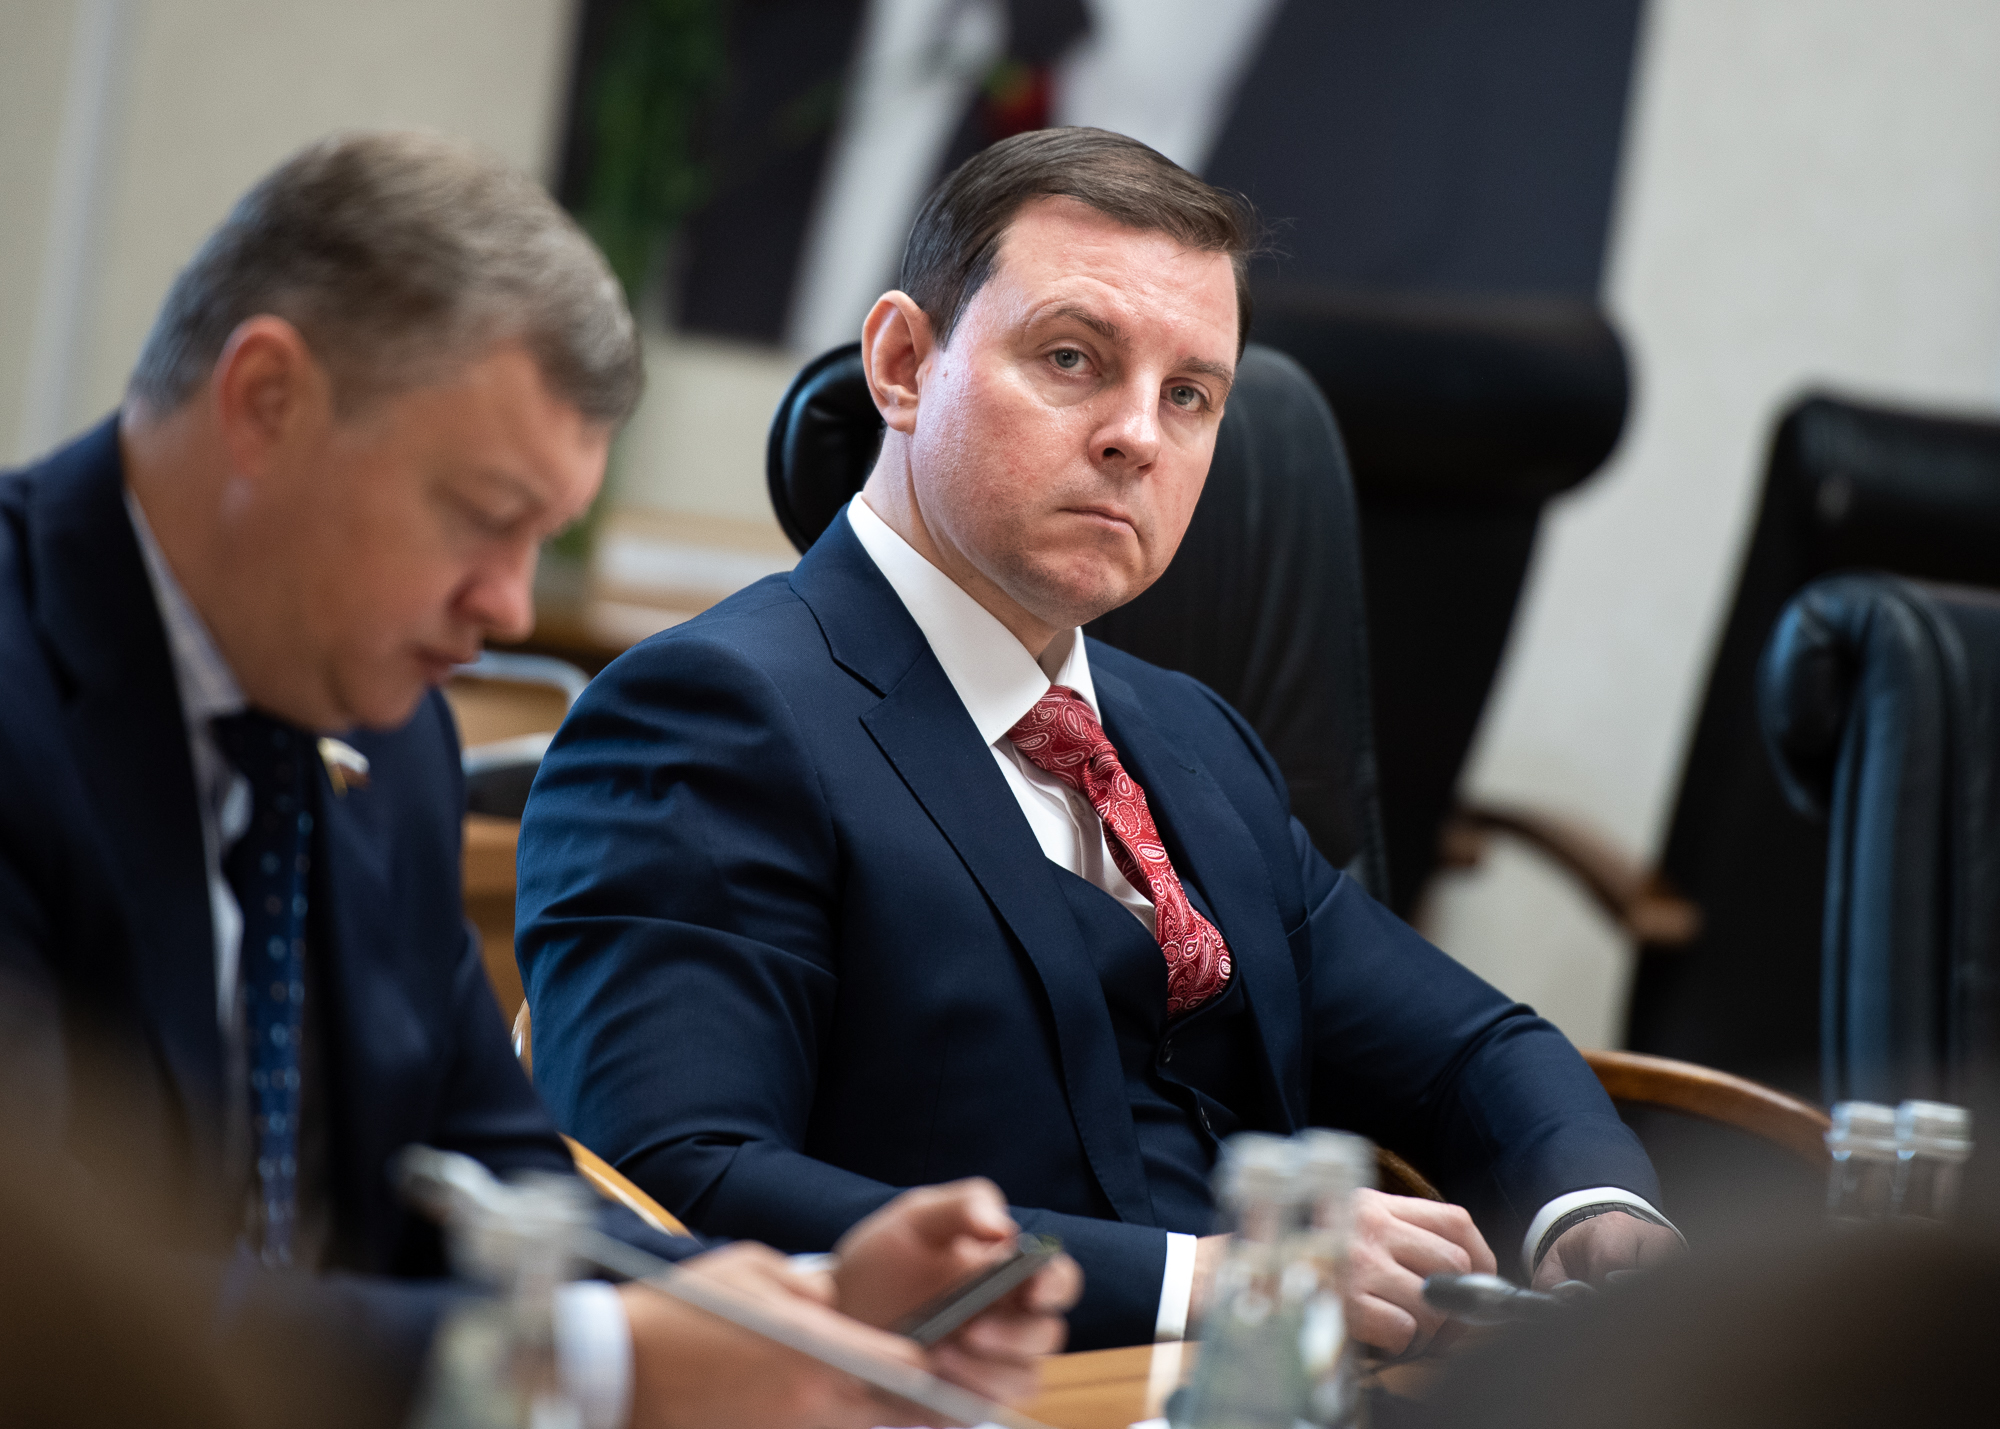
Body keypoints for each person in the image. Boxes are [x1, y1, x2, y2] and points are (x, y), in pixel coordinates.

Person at [516, 127, 1681, 1354]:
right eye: (1071, 359)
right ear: (902, 365)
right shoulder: (708, 715)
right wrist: (1211, 1282)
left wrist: (1590, 1210)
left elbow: (1467, 1049)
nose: (1138, 436)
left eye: (1189, 395)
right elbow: (674, 1183)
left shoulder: (1192, 735)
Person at [0, 130, 1077, 1429]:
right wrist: (596, 1359)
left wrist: (805, 1308)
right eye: (480, 515)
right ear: (267, 402)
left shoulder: (383, 729)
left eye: (540, 539)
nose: (507, 607)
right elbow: (37, 1310)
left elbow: (489, 1166)